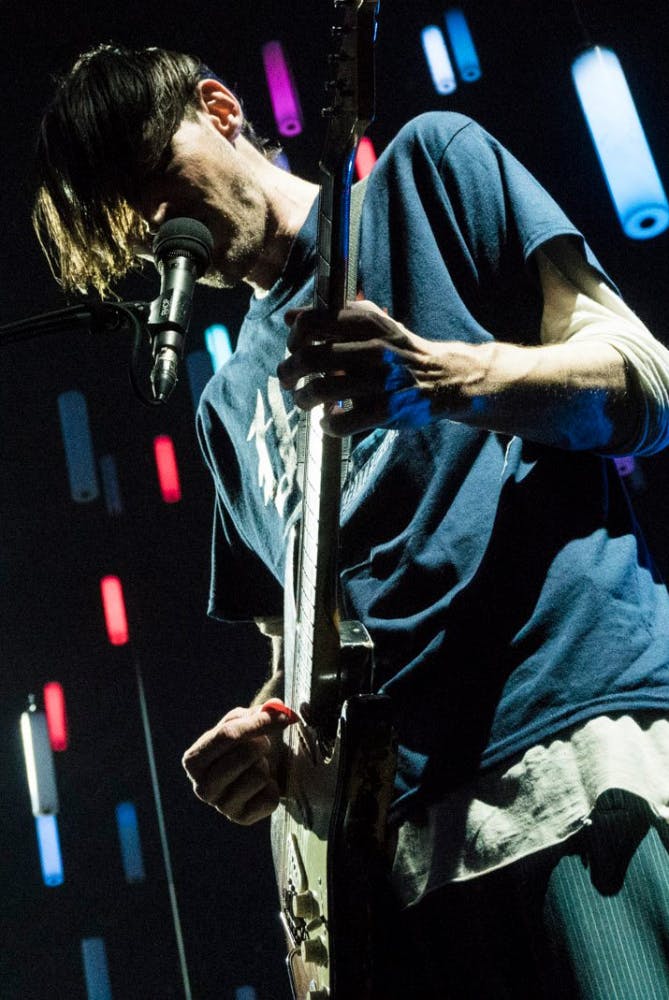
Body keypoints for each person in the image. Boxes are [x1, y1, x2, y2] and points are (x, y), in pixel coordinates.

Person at [33, 43, 669, 999]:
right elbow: (302, 641)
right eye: (133, 223)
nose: (160, 227)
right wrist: (272, 730)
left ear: (219, 107)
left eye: (156, 179)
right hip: (400, 861)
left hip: (566, 762)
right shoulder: (225, 404)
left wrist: (442, 377)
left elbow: (643, 381)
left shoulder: (425, 170)